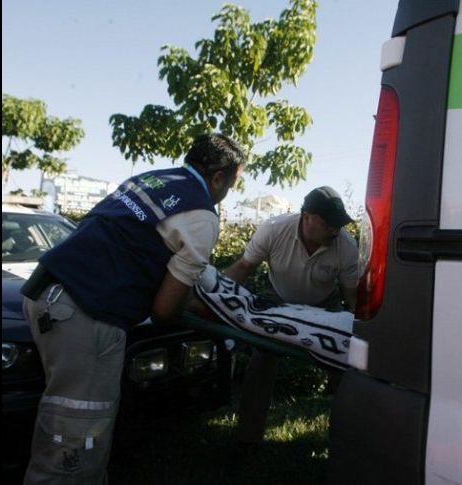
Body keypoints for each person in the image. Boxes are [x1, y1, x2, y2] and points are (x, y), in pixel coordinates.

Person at [19, 132, 245, 484]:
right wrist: (201, 306)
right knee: (74, 450)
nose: (228, 192)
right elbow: (164, 311)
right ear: (219, 177)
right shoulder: (202, 215)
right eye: (232, 183)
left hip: (42, 292)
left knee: (60, 423)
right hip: (86, 316)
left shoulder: (148, 179)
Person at [223, 186, 359, 452]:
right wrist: (216, 294)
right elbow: (244, 267)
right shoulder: (274, 229)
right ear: (306, 217)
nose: (335, 229)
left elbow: (352, 295)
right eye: (329, 223)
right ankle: (248, 440)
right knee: (262, 360)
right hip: (278, 299)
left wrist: (359, 334)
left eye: (338, 224)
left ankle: (348, 443)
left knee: (343, 368)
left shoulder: (346, 246)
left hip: (324, 305)